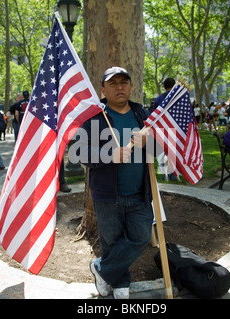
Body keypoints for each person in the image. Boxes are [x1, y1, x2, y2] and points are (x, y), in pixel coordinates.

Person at [77, 67, 154, 299]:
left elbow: (158, 150)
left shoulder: (144, 116)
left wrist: (149, 143)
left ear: (131, 87)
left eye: (124, 82)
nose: (119, 87)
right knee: (111, 242)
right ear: (103, 89)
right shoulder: (94, 117)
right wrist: (109, 154)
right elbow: (79, 152)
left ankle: (101, 269)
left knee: (140, 237)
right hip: (107, 196)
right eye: (113, 83)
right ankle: (121, 282)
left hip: (140, 194)